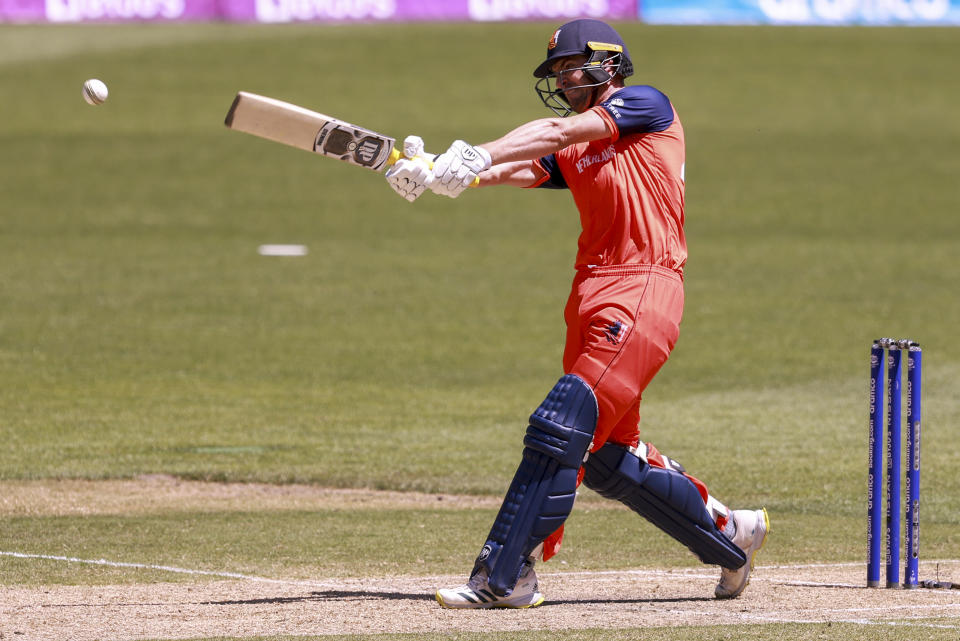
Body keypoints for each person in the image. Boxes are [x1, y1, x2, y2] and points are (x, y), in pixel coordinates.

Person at [384, 19, 769, 609]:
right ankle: (729, 537)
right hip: (592, 296)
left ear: (608, 62)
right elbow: (524, 166)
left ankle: (505, 575)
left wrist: (477, 152)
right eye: (557, 72)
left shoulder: (645, 105)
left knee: (562, 423)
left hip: (643, 288)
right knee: (609, 458)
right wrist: (439, 171)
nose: (563, 79)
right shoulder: (583, 148)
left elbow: (552, 133)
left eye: (571, 67)